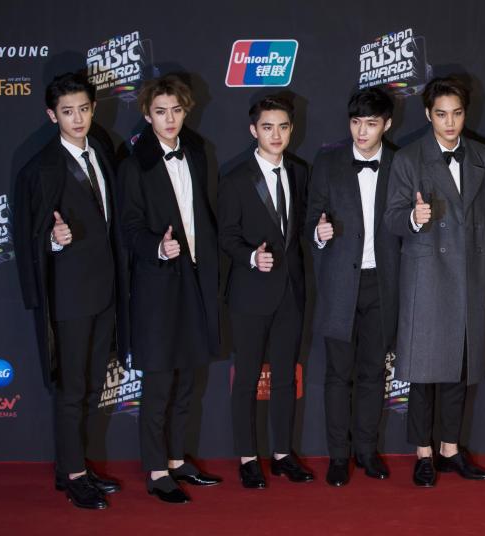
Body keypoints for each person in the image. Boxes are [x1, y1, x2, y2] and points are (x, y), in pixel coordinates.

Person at [383, 76, 485, 487]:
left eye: (456, 114)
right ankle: (423, 453)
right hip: (426, 275)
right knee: (424, 374)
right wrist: (412, 219)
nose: (449, 123)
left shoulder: (484, 157)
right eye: (440, 114)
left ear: (465, 114)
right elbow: (391, 217)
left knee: (459, 370)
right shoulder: (409, 158)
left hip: (470, 275)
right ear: (427, 115)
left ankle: (451, 450)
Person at [13, 72, 124, 509]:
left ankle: (72, 465)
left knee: (93, 385)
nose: (77, 119)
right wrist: (51, 242)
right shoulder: (41, 168)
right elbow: (26, 237)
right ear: (51, 115)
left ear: (92, 109)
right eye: (66, 111)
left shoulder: (103, 152)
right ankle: (74, 475)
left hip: (106, 294)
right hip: (70, 298)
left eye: (83, 109)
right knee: (72, 388)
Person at [117, 75, 222, 503]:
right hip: (157, 287)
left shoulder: (196, 150)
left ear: (186, 110)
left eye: (177, 110)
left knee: (187, 380)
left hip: (195, 279)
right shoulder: (133, 163)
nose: (170, 119)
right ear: (147, 115)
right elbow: (129, 228)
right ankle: (157, 470)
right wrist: (158, 248)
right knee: (159, 384)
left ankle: (178, 460)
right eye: (161, 112)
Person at [306, 87, 400, 486]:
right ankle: (338, 456)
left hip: (384, 283)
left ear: (387, 125)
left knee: (372, 374)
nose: (362, 132)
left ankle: (366, 451)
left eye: (371, 123)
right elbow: (310, 217)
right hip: (339, 283)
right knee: (337, 375)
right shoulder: (327, 162)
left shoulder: (401, 163)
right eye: (356, 123)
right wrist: (319, 231)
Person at [218, 95, 312, 489]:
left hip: (290, 293)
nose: (276, 135)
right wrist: (251, 258)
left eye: (283, 127)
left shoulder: (300, 172)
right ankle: (247, 457)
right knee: (246, 379)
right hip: (249, 295)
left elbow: (301, 232)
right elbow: (226, 236)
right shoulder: (235, 178)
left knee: (286, 380)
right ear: (254, 130)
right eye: (268, 127)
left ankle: (283, 454)